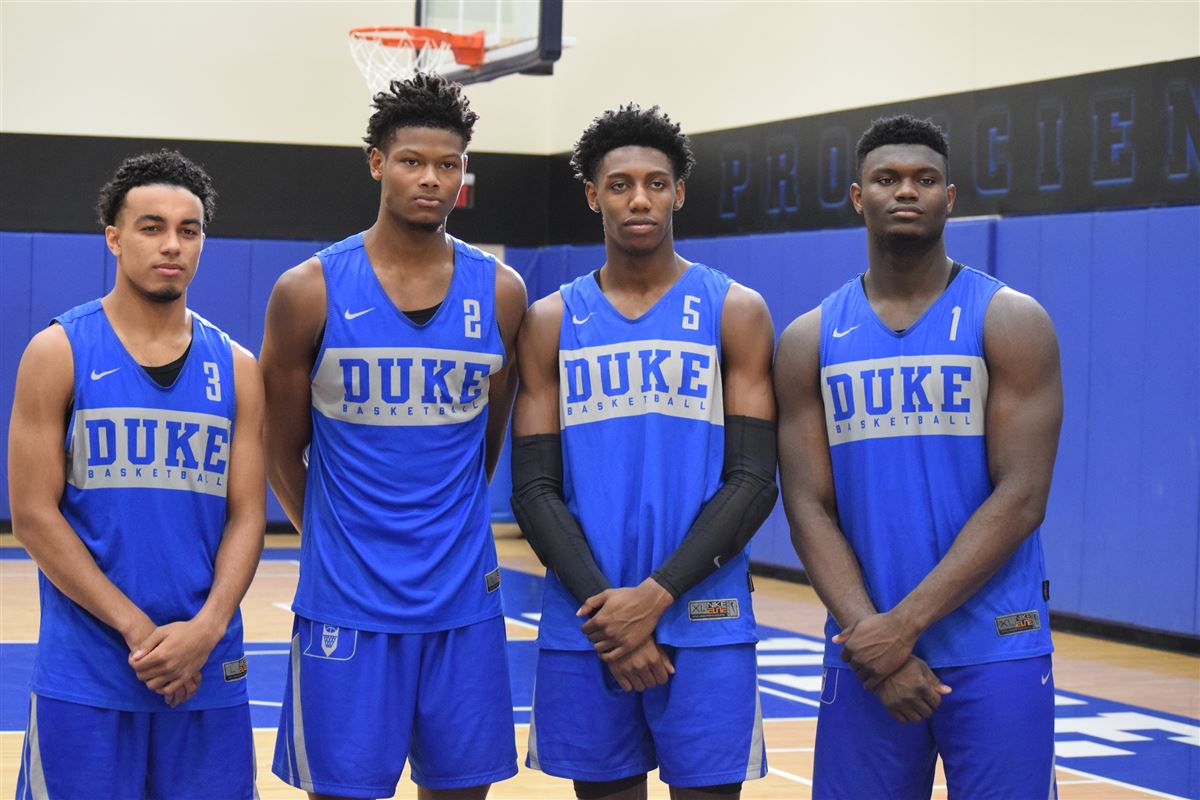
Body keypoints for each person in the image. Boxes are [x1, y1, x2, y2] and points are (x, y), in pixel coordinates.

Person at [775, 114, 1063, 799]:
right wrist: (870, 638)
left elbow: (1022, 495)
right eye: (887, 178)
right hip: (865, 645)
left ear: (950, 197)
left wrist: (899, 629)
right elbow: (807, 504)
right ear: (857, 196)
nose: (906, 191)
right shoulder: (811, 337)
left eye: (924, 179)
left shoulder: (1010, 319)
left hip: (995, 645)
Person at [262, 72, 525, 800]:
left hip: (462, 599)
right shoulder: (309, 290)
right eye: (413, 161)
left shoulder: (501, 292)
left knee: (463, 790)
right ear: (377, 162)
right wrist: (325, 531)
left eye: (450, 164)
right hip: (347, 600)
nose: (432, 179)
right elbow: (277, 443)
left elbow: (487, 442)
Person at [510, 104, 777, 800]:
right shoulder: (551, 320)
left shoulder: (733, 309)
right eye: (621, 184)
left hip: (706, 617)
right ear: (594, 195)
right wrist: (613, 614)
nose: (640, 199)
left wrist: (653, 600)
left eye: (657, 183)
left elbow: (753, 478)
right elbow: (534, 487)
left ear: (679, 193)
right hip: (589, 622)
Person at [8, 150, 265, 800]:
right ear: (115, 238)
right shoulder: (59, 352)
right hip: (89, 673)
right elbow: (35, 516)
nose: (172, 244)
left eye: (189, 229)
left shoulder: (236, 368)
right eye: (151, 227)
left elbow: (247, 515)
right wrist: (138, 631)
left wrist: (204, 632)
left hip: (206, 669)